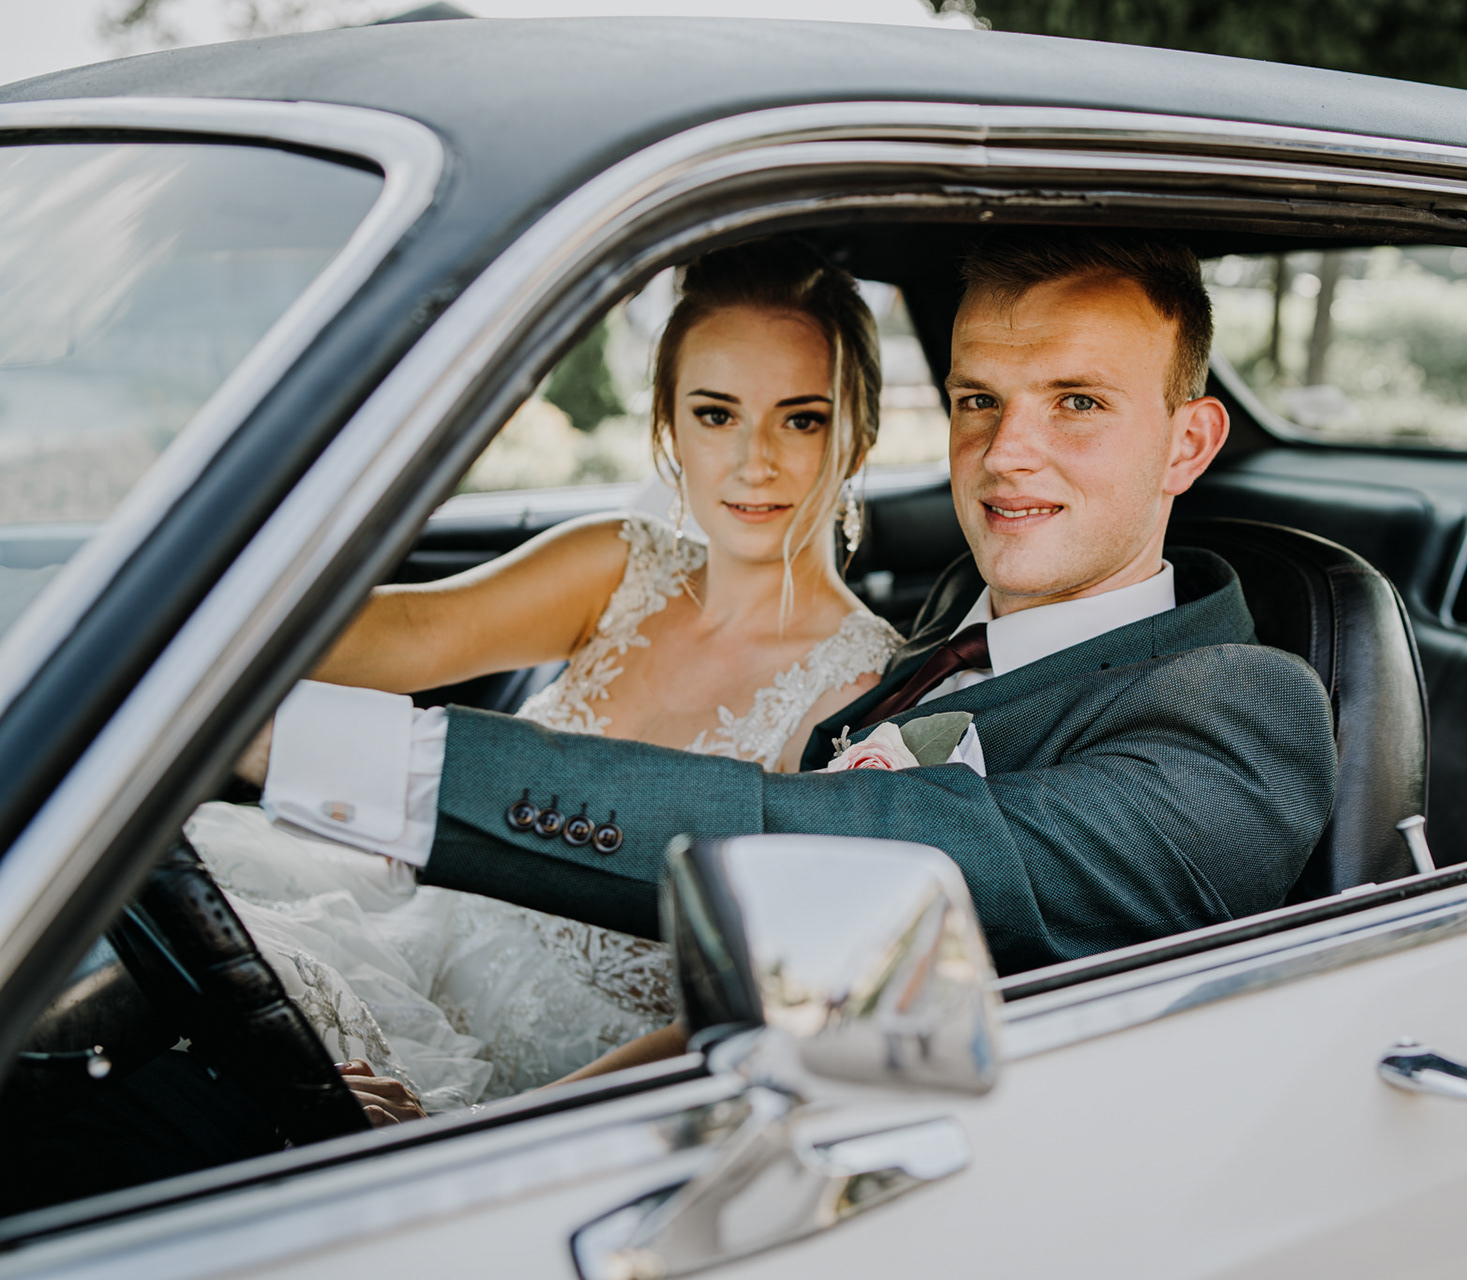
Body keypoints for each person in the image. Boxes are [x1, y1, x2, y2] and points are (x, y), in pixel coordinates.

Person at [249, 229, 1338, 1088]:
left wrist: (331, 749)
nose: (1007, 453)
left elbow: (836, 854)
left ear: (1187, 443)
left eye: (1079, 403)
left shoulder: (1243, 711)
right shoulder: (949, 632)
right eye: (979, 401)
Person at [192, 238, 903, 1117]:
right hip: (416, 939)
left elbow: (763, 993)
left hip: (562, 1091)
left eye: (801, 419)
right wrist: (188, 624)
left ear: (860, 434)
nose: (754, 461)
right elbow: (414, 632)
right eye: (717, 414)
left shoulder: (860, 695)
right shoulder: (619, 565)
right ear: (669, 426)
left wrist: (478, 1128)